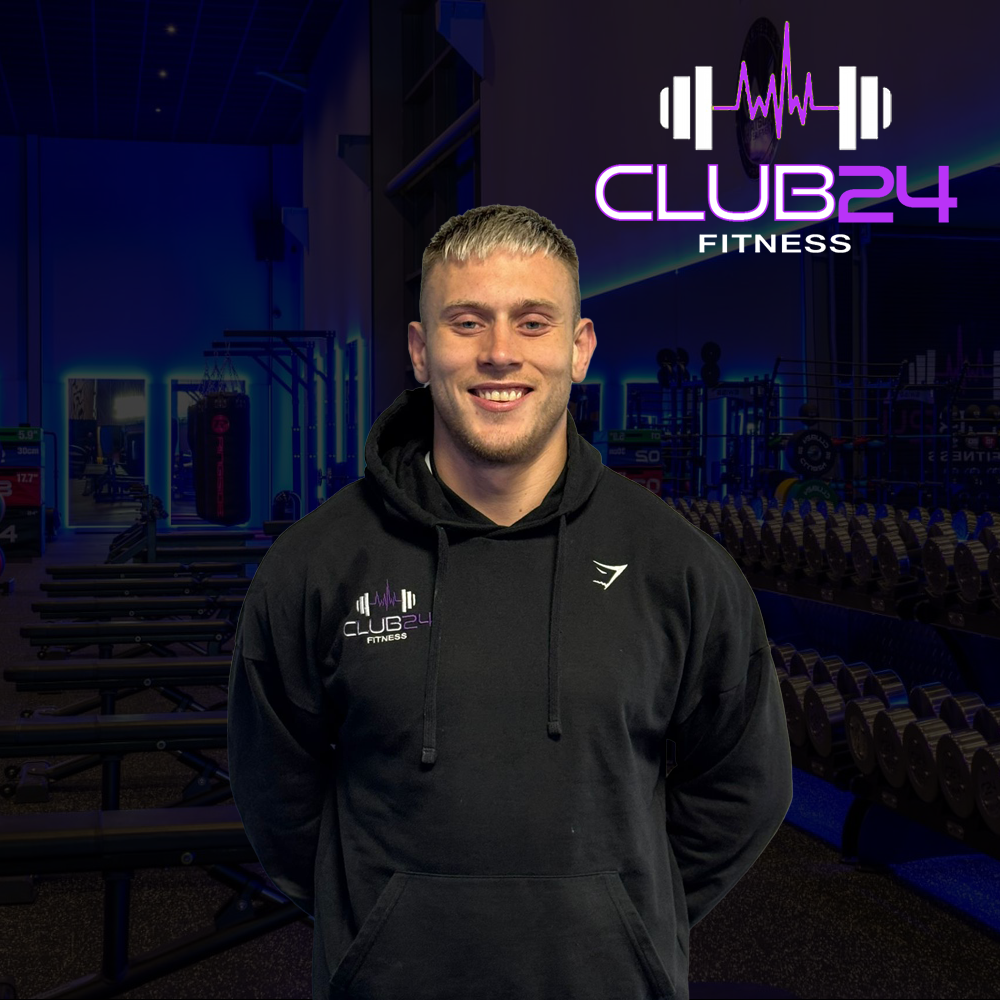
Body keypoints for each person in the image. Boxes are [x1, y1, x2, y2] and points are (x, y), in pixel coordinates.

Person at [228, 205, 793, 1000]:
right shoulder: (318, 564)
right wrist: (380, 921)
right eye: (467, 323)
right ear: (422, 352)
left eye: (533, 322)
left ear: (579, 347)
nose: (500, 353)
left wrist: (628, 917)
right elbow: (272, 790)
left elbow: (745, 785)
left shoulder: (680, 567)